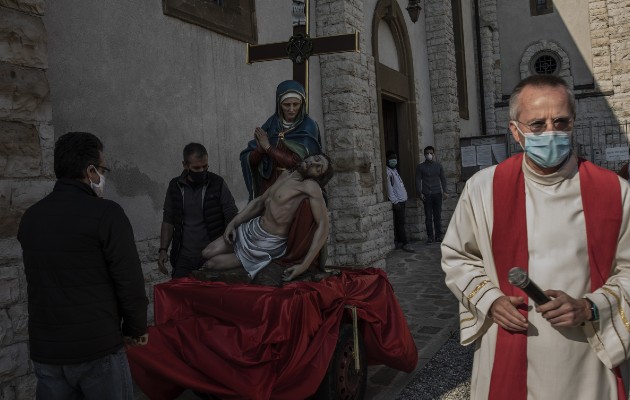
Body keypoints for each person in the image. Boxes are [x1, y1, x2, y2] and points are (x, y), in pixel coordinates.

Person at [441, 75, 630, 399]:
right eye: (537, 125)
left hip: (585, 356)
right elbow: (458, 255)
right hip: (508, 342)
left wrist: (590, 306)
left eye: (560, 122)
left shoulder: (615, 192)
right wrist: (490, 300)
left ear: (573, 124)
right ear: (516, 131)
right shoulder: (483, 189)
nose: (550, 133)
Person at [17, 132, 149, 399]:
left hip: (48, 352)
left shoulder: (31, 218)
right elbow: (129, 280)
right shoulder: (106, 214)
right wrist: (135, 329)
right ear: (90, 171)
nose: (103, 176)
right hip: (98, 349)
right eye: (102, 169)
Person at [201, 154, 333, 282]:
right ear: (308, 156)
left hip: (266, 243)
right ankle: (244, 259)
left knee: (211, 264)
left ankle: (255, 261)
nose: (313, 163)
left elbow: (323, 225)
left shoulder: (310, 186)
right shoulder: (285, 174)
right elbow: (259, 202)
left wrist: (304, 265)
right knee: (206, 252)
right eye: (316, 159)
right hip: (252, 229)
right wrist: (232, 224)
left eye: (318, 168)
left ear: (318, 177)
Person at [158, 143, 238, 278]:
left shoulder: (218, 184)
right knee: (180, 297)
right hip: (183, 259)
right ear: (185, 165)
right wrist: (163, 250)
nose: (201, 171)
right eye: (196, 168)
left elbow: (232, 216)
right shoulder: (175, 186)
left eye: (205, 167)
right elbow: (168, 220)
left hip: (212, 257)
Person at [240, 80, 322, 200]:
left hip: (298, 186)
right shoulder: (271, 124)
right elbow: (251, 161)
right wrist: (259, 150)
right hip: (271, 186)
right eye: (286, 105)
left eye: (296, 104)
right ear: (279, 104)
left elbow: (299, 162)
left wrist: (268, 148)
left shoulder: (308, 126)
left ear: (302, 104)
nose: (291, 109)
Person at [415, 145, 448, 243]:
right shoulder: (420, 167)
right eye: (427, 153)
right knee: (428, 217)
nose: (429, 155)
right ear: (424, 155)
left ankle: (438, 236)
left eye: (431, 153)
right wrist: (419, 193)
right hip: (427, 195)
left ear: (434, 154)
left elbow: (443, 179)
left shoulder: (438, 166)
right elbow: (417, 180)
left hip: (437, 194)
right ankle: (430, 237)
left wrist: (445, 191)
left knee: (437, 216)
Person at [385, 150, 408, 249]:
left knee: (402, 222)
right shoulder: (388, 172)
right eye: (391, 159)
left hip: (402, 200)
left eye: (395, 158)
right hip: (398, 201)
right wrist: (395, 202)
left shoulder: (394, 170)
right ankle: (403, 241)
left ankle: (402, 240)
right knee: (400, 223)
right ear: (387, 160)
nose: (394, 160)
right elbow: (389, 188)